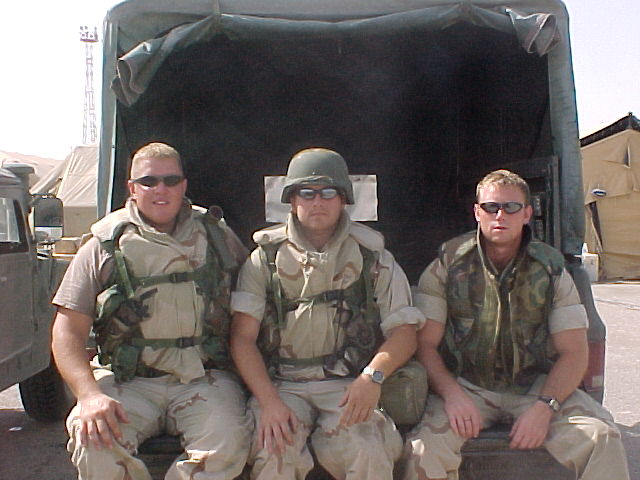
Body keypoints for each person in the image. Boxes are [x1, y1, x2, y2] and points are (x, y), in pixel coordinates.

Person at [402, 169, 630, 480]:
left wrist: (545, 407)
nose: (500, 215)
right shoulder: (448, 264)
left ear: (526, 214)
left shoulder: (550, 269)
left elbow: (574, 352)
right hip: (467, 386)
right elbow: (425, 345)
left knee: (602, 439)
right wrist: (451, 394)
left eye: (510, 207)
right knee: (423, 451)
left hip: (536, 386)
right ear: (477, 213)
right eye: (491, 207)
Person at [51, 142, 252, 480]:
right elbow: (66, 332)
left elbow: (254, 305)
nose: (161, 189)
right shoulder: (104, 245)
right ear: (132, 188)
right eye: (149, 181)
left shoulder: (216, 236)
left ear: (183, 185)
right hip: (128, 382)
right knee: (93, 441)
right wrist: (88, 395)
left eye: (171, 180)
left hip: (203, 379)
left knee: (229, 442)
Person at [230, 147, 425, 479]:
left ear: (343, 198)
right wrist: (268, 402)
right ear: (292, 200)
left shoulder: (372, 257)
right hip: (282, 385)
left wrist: (372, 377)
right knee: (274, 452)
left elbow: (404, 333)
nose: (317, 201)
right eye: (306, 193)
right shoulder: (265, 259)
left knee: (369, 450)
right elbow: (242, 339)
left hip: (348, 384)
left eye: (328, 192)